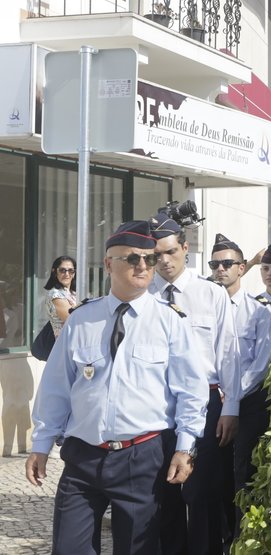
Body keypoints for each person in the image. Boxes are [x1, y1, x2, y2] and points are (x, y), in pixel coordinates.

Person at [25, 221, 207, 554]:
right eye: (132, 258)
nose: (143, 266)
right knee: (68, 548)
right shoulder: (82, 319)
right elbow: (57, 387)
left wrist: (186, 446)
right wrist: (41, 442)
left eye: (149, 259)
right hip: (83, 456)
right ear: (109, 264)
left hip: (143, 457)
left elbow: (191, 391)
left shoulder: (169, 321)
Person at [149, 213, 241, 555]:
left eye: (170, 252)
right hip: (158, 406)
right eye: (156, 254)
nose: (164, 261)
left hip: (206, 404)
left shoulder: (210, 294)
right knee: (163, 495)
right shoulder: (146, 297)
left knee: (202, 495)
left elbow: (228, 354)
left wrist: (230, 408)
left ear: (185, 249)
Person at [208, 233, 271, 540]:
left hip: (248, 403)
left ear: (241, 268)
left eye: (227, 263)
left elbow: (262, 362)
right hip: (211, 400)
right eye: (215, 264)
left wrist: (232, 395)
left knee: (242, 474)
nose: (220, 269)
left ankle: (242, 539)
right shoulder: (203, 308)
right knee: (213, 475)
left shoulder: (258, 311)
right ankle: (217, 537)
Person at [42, 255, 78, 340]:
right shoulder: (55, 294)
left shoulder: (74, 293)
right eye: (62, 270)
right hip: (64, 344)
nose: (67, 274)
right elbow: (73, 320)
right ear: (55, 272)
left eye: (71, 270)